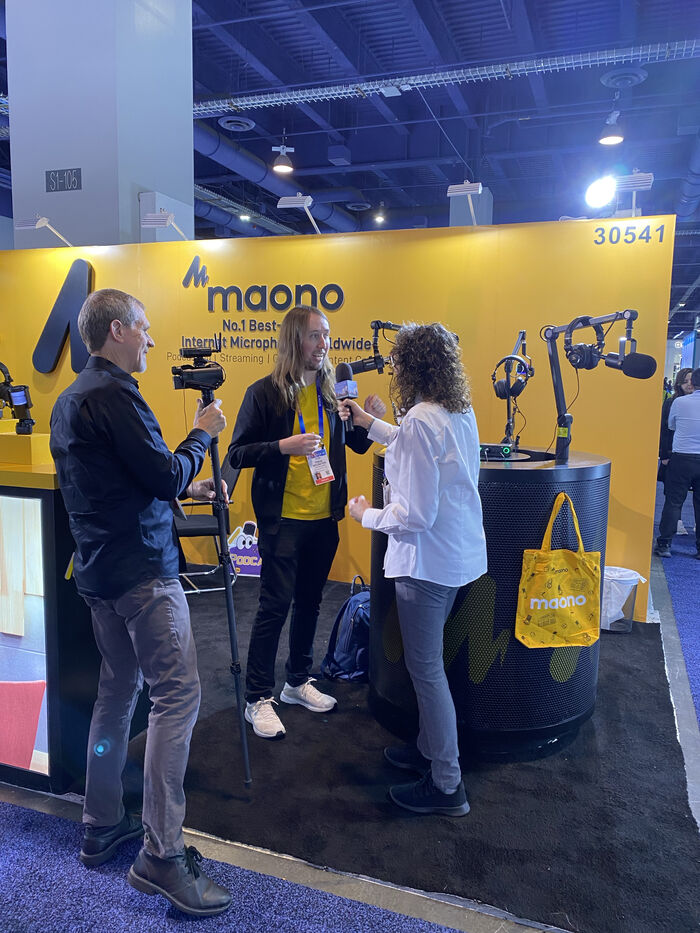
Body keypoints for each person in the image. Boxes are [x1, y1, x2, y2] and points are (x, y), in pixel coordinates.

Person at [49, 288, 232, 917]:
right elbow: (162, 474)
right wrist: (202, 434)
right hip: (142, 577)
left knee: (117, 692)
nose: (152, 339)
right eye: (145, 328)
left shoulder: (71, 399)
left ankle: (101, 822)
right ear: (118, 330)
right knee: (176, 698)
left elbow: (123, 482)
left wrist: (184, 485)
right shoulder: (116, 396)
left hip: (100, 575)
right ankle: (162, 854)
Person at [342, 323, 487, 817]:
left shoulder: (424, 418)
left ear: (412, 366)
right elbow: (409, 441)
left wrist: (367, 516)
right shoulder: (455, 410)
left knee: (426, 672)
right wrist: (368, 422)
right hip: (452, 559)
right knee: (430, 667)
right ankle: (428, 750)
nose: (393, 368)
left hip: (425, 564)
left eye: (397, 361)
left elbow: (417, 515)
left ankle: (447, 785)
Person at [227, 305, 385, 740]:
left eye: (327, 335)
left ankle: (297, 682)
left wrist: (369, 417)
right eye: (315, 335)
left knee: (311, 602)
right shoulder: (264, 393)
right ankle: (257, 697)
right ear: (294, 339)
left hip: (323, 519)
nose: (324, 344)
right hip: (282, 521)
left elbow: (354, 445)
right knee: (273, 607)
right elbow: (237, 453)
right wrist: (283, 446)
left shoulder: (332, 393)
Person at [655, 366, 700, 559]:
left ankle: (664, 544)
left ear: (693, 383)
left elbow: (671, 425)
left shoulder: (679, 402)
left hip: (681, 457)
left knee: (674, 502)